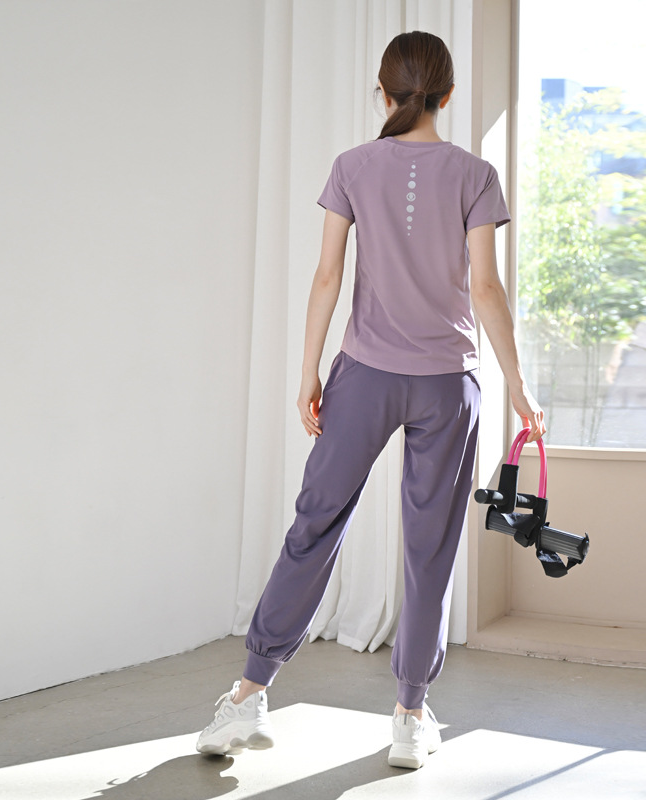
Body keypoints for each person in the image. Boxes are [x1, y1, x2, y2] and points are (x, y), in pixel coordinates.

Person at [196, 30, 545, 770]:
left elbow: (327, 275)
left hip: (364, 375)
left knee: (315, 523)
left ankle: (249, 693)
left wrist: (309, 371)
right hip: (449, 385)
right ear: (447, 96)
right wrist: (517, 382)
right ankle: (410, 717)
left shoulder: (352, 165)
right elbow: (486, 287)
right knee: (430, 547)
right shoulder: (475, 173)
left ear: (382, 94)